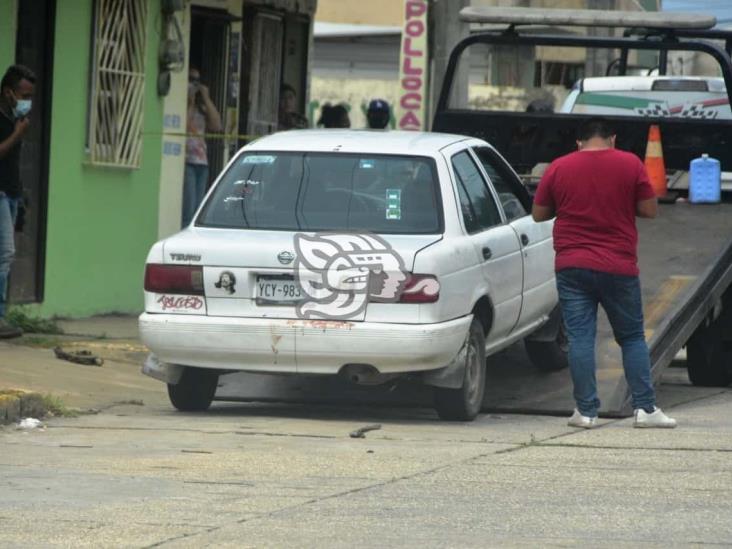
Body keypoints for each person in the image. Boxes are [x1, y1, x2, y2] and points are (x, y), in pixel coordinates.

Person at [532, 117, 676, 429]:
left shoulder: (559, 167)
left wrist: (569, 203)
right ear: (612, 139)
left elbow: (539, 213)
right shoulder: (629, 163)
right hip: (618, 266)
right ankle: (645, 410)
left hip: (572, 265)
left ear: (579, 142)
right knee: (632, 337)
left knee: (581, 337)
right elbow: (650, 210)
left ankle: (585, 412)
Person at [0, 65, 35, 339]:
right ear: (8, 92)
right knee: (6, 253)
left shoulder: (15, 118)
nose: (27, 101)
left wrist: (22, 195)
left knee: (5, 254)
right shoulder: (5, 121)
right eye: (24, 94)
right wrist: (16, 135)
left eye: (31, 96)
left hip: (11, 194)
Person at [182, 67, 222, 228]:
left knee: (198, 209)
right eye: (191, 80)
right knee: (188, 208)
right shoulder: (182, 105)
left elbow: (217, 125)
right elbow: (184, 124)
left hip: (201, 162)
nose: (194, 84)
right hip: (187, 161)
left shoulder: (202, 108)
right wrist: (190, 101)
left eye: (197, 81)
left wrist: (206, 98)